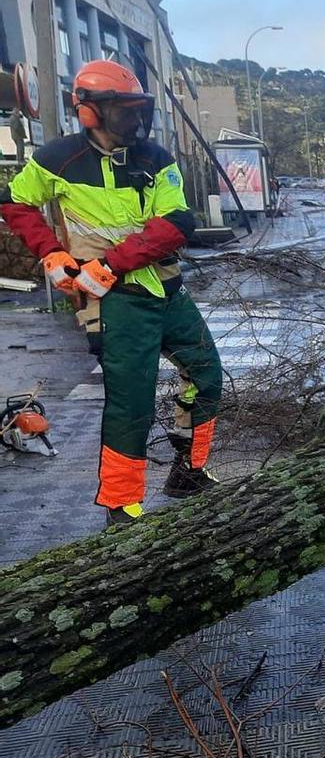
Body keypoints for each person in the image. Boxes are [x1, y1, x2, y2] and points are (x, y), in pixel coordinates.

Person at [0, 59, 220, 528]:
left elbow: (176, 223)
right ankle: (123, 506)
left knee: (206, 374)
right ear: (90, 111)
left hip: (165, 288)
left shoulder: (155, 159)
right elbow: (15, 203)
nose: (134, 119)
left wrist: (111, 263)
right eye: (123, 110)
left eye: (137, 109)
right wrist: (52, 254)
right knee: (131, 401)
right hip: (113, 303)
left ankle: (188, 470)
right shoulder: (57, 159)